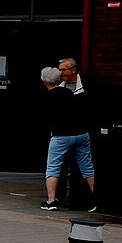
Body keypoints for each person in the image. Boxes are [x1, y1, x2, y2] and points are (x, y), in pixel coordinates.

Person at [40, 66, 96, 211]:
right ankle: (97, 199)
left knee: (53, 167)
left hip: (61, 135)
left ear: (44, 81)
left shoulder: (46, 97)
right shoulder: (69, 93)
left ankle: (51, 201)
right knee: (87, 167)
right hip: (82, 133)